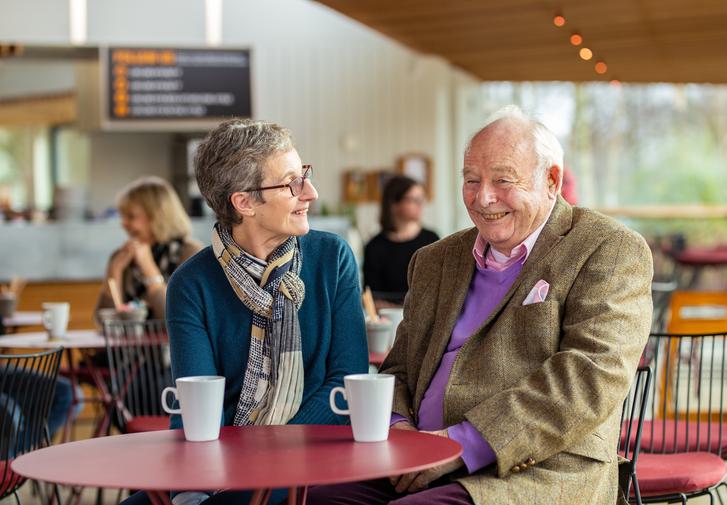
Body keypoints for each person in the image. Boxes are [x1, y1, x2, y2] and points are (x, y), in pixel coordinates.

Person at [307, 105, 653, 505]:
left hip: (536, 468)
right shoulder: (435, 259)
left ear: (551, 180)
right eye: (471, 180)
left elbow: (590, 375)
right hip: (417, 458)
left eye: (503, 180)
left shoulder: (606, 248)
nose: (484, 197)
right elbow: (400, 367)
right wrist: (401, 430)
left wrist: (458, 445)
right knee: (320, 496)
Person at [121, 119, 368, 505]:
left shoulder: (332, 259)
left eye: (304, 175)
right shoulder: (190, 284)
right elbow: (197, 405)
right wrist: (192, 489)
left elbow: (346, 383)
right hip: (222, 461)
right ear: (244, 202)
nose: (311, 193)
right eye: (292, 183)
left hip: (316, 455)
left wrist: (264, 455)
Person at [95, 176, 203, 320]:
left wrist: (148, 268)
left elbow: (178, 320)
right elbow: (104, 322)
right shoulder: (120, 257)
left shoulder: (191, 254)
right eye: (123, 216)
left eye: (131, 216)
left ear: (158, 215)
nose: (123, 223)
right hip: (130, 343)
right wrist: (114, 272)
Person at [363, 176, 439, 307]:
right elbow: (371, 299)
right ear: (394, 204)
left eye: (421, 199)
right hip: (389, 321)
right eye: (414, 199)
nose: (421, 204)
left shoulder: (432, 239)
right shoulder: (375, 246)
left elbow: (441, 290)